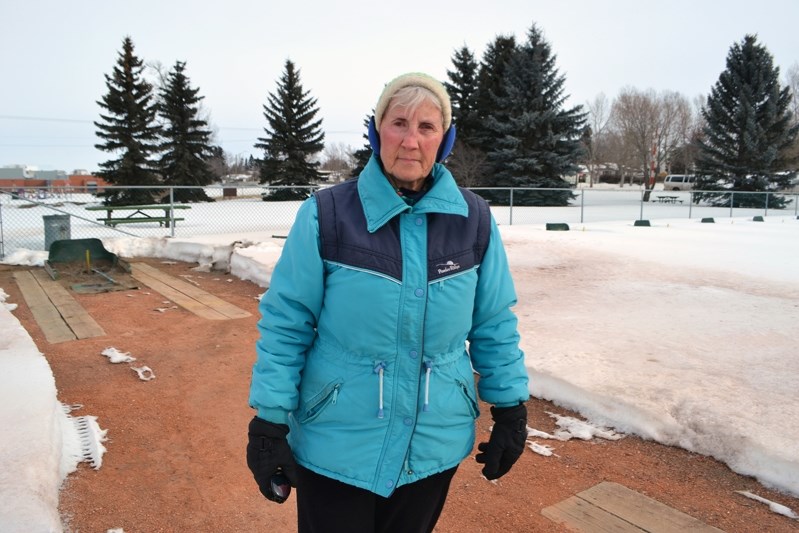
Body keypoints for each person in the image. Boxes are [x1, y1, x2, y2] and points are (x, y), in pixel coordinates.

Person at [247, 72, 529, 533]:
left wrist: (510, 408)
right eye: (398, 122)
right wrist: (269, 423)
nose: (411, 140)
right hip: (337, 440)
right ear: (377, 134)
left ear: (446, 138)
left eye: (426, 127)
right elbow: (287, 322)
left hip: (433, 443)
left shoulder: (474, 220)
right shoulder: (328, 214)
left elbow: (493, 321)